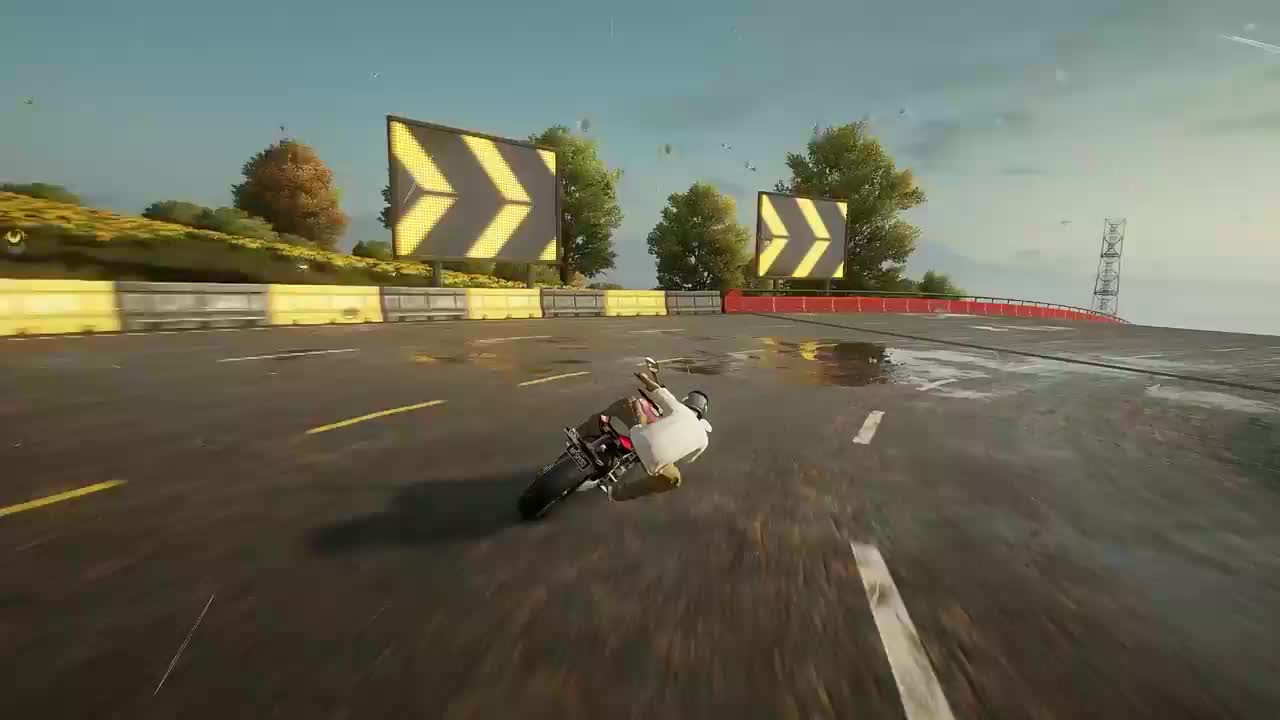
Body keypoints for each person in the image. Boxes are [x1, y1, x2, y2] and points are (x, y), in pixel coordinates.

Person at [576, 371, 712, 501]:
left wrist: (644, 377)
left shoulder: (680, 409)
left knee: (629, 403)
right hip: (657, 462)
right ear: (703, 412)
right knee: (674, 479)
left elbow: (658, 390)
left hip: (639, 438)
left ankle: (580, 434)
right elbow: (687, 459)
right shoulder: (704, 440)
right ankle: (614, 493)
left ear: (686, 401)